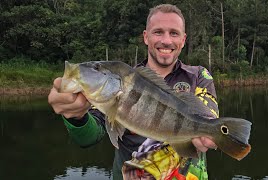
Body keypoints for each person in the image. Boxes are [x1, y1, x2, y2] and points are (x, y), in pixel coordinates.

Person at [48, 4, 219, 180]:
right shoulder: (121, 82)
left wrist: (212, 132)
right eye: (158, 32)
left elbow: (208, 116)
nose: (166, 40)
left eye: (174, 33)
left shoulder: (198, 75)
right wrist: (76, 116)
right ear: (146, 37)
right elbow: (89, 137)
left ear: (183, 40)